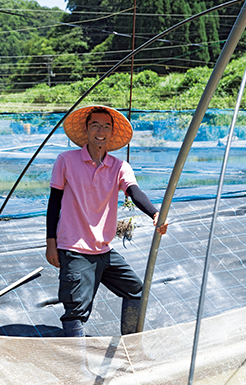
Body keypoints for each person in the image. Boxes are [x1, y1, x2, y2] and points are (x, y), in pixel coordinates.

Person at [45, 105, 169, 337]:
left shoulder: (119, 166)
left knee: (135, 290)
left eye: (106, 127)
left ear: (112, 133)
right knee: (75, 311)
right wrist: (51, 242)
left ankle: (130, 346)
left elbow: (134, 191)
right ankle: (78, 367)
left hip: (104, 249)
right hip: (74, 249)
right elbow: (54, 204)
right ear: (87, 130)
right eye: (95, 125)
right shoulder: (66, 161)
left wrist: (155, 214)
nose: (100, 131)